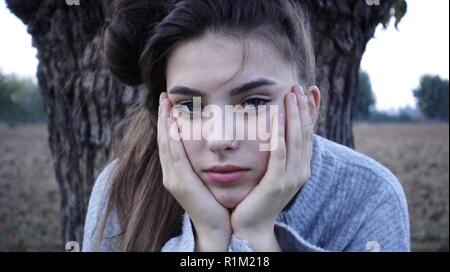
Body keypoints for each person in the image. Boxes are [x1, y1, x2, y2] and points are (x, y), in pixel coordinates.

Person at [82, 0, 410, 252]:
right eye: (190, 106)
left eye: (253, 103)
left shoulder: (369, 198)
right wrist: (209, 239)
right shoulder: (121, 189)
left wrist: (254, 236)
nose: (220, 138)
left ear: (308, 107)